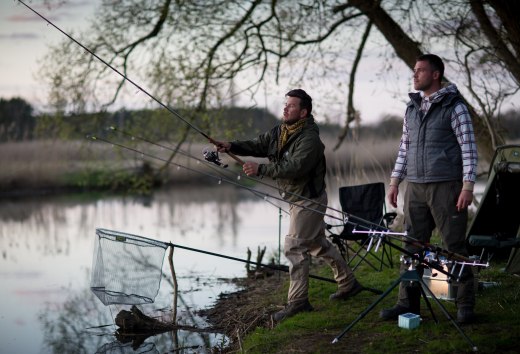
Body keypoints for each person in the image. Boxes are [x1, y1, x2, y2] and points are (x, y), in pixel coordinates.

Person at [215, 89, 363, 322]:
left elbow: (296, 167)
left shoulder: (310, 139)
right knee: (317, 245)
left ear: (303, 112)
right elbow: (258, 145)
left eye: (291, 106)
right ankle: (349, 284)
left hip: (308, 199)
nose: (285, 108)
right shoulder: (280, 131)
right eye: (285, 104)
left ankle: (298, 302)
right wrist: (231, 146)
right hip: (295, 198)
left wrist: (260, 169)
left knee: (294, 247)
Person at [380, 54, 478, 324]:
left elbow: (469, 148)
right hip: (415, 188)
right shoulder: (411, 108)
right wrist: (394, 182)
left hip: (446, 186)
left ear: (436, 74)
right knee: (412, 246)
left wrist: (467, 186)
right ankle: (407, 304)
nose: (415, 74)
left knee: (454, 245)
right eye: (414, 70)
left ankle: (465, 305)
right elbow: (404, 148)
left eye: (421, 70)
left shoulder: (454, 106)